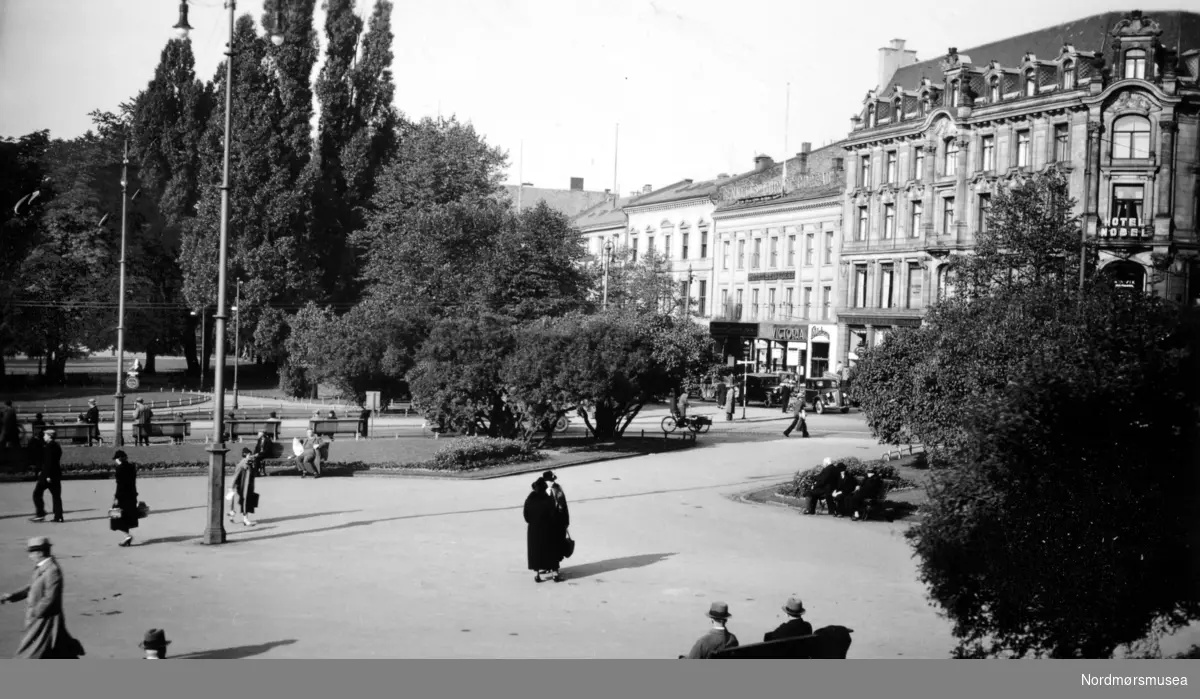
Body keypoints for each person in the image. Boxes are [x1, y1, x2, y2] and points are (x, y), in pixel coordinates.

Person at [0, 537, 85, 658]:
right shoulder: (42, 568)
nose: (30, 556)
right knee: (54, 650)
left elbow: (50, 597)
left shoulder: (52, 571)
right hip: (41, 617)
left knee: (29, 652)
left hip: (44, 619)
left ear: (39, 553)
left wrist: (35, 612)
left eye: (31, 553)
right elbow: (31, 587)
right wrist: (13, 596)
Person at [523, 479, 561, 583]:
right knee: (551, 551)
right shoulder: (548, 500)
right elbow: (554, 515)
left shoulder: (529, 500)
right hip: (548, 529)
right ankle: (554, 573)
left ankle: (538, 575)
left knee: (536, 552)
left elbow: (526, 517)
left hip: (534, 531)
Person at [31, 430, 64, 523]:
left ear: (49, 436)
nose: (44, 436)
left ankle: (40, 513)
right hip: (56, 474)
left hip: (48, 475)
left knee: (37, 494)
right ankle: (59, 516)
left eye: (45, 435)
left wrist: (48, 475)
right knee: (56, 496)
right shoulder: (56, 446)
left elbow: (49, 462)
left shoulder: (50, 447)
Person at [110, 450, 139, 547]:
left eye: (116, 459)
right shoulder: (132, 467)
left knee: (115, 516)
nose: (115, 461)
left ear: (119, 459)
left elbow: (120, 485)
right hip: (131, 496)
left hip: (122, 497)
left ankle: (127, 536)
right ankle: (127, 537)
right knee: (127, 517)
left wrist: (116, 497)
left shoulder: (119, 469)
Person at [545, 471, 570, 572]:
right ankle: (548, 566)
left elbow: (562, 506)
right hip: (547, 522)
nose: (552, 482)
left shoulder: (557, 488)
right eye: (550, 480)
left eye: (552, 480)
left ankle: (554, 567)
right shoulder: (543, 489)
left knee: (555, 545)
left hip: (557, 522)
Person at [228, 448, 258, 527]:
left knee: (241, 501)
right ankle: (245, 519)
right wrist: (232, 486)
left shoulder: (248, 463)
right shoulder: (243, 462)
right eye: (249, 455)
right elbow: (236, 475)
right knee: (245, 501)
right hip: (242, 486)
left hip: (245, 486)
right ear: (246, 455)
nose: (251, 456)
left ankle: (232, 513)